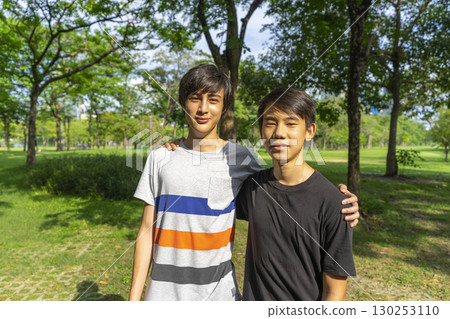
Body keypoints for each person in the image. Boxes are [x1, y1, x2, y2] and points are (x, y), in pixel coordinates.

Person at [129, 64, 359, 301]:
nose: (203, 108)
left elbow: (288, 188)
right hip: (162, 295)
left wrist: (342, 203)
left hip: (220, 299)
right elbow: (146, 230)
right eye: (195, 98)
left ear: (224, 106)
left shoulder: (242, 160)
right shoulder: (161, 157)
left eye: (213, 100)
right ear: (183, 102)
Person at [235, 87, 356, 301]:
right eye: (270, 123)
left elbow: (334, 292)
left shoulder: (335, 204)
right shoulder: (251, 188)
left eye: (291, 124)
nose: (279, 132)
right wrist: (180, 146)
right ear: (262, 131)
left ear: (309, 131)